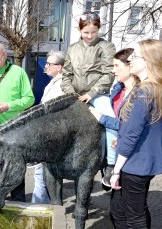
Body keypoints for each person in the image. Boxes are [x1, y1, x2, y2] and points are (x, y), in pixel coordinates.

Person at [101, 39, 162, 229]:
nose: (130, 60)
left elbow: (130, 135)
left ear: (149, 62)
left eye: (136, 57)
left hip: (135, 165)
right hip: (140, 162)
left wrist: (116, 170)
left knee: (136, 222)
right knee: (120, 211)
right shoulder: (154, 88)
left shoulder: (144, 92)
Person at [61, 12, 117, 179]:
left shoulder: (106, 47)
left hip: (97, 95)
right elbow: (66, 75)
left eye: (94, 32)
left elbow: (108, 74)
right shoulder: (72, 48)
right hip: (74, 95)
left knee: (111, 119)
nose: (90, 36)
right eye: (86, 32)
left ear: (98, 29)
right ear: (80, 30)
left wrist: (91, 93)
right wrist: (71, 94)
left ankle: (110, 164)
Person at [0, 42, 35, 202]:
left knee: (15, 169)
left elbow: (30, 99)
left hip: (14, 131)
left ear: (4, 55)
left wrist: (9, 106)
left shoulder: (18, 72)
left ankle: (18, 203)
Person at [89, 48, 139, 188]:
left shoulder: (139, 94)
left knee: (132, 206)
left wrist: (102, 118)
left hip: (131, 157)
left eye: (117, 66)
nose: (113, 71)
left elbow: (129, 125)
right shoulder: (118, 89)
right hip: (118, 144)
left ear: (130, 66)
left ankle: (110, 166)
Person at [31, 50, 65, 204]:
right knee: (42, 173)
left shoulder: (62, 85)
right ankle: (42, 204)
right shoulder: (52, 82)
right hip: (46, 132)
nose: (46, 66)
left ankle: (39, 206)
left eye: (50, 64)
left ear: (60, 67)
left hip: (51, 135)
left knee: (43, 173)